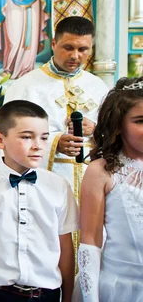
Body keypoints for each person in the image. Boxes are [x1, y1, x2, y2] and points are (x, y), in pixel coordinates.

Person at [0, 100, 79, 302]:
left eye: (44, 138)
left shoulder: (59, 187)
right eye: (27, 137)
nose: (38, 145)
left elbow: (65, 247)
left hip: (46, 294)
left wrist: (68, 298)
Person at [4, 16, 109, 191]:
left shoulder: (98, 87)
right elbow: (10, 135)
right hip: (43, 184)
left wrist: (96, 129)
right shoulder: (26, 86)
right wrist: (54, 142)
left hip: (91, 183)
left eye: (83, 49)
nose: (75, 56)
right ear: (53, 44)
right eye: (68, 47)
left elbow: (117, 134)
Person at [73, 77, 143, 302]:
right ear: (118, 125)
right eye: (140, 121)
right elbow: (90, 242)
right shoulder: (102, 171)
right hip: (119, 286)